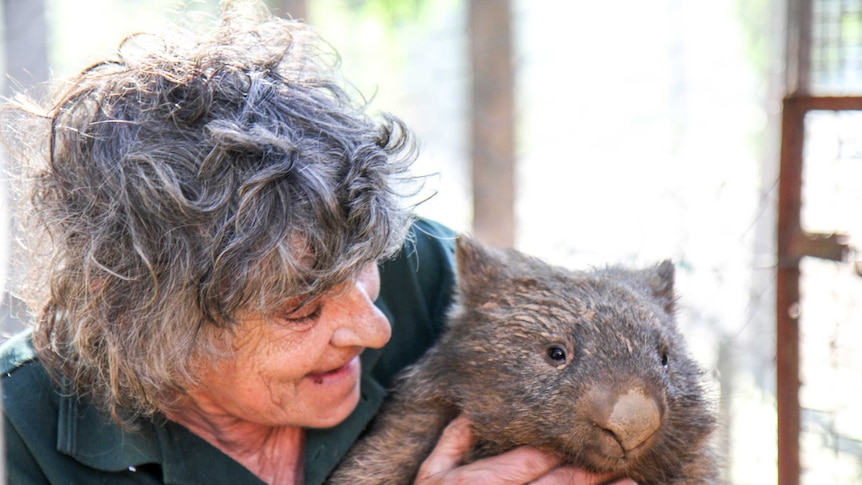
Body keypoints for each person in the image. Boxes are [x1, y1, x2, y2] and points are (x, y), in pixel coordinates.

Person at [0, 1, 637, 484]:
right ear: (136, 320)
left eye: (364, 269)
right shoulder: (17, 429)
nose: (376, 329)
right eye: (301, 309)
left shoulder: (438, 281)